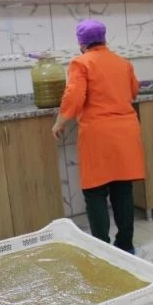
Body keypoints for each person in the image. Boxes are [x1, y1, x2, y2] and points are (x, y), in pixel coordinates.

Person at [52, 19, 146, 255]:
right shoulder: (122, 62)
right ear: (104, 38)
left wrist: (60, 121)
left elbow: (74, 96)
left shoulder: (81, 63)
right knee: (122, 189)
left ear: (81, 43)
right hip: (126, 132)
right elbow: (134, 91)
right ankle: (126, 245)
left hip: (98, 135)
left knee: (95, 192)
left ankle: (102, 250)